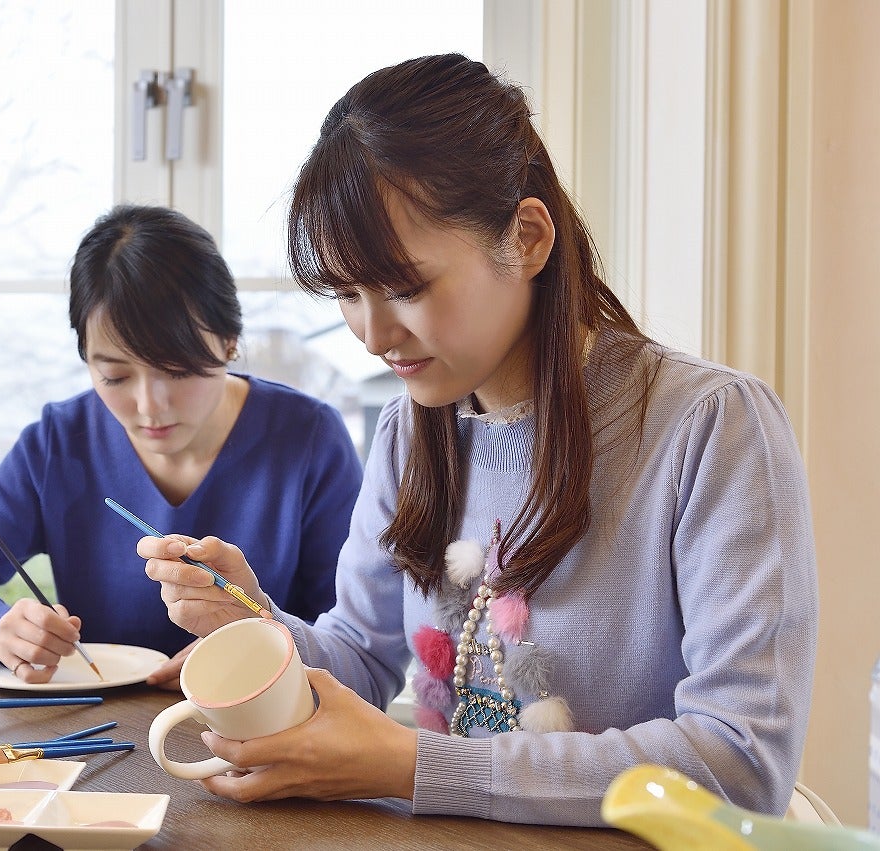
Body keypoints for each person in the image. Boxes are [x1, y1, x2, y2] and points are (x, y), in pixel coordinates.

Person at [139, 54, 816, 825]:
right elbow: (357, 659)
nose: (372, 333)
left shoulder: (711, 427)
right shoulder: (408, 430)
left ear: (527, 237)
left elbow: (743, 760)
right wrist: (255, 621)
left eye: (405, 287)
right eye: (347, 294)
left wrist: (418, 764)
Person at [0, 204, 362, 688]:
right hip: (86, 735)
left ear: (229, 340)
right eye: (114, 375)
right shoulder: (60, 442)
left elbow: (354, 644)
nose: (148, 406)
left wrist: (255, 648)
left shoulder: (307, 440)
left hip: (259, 726)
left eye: (178, 370)